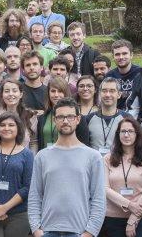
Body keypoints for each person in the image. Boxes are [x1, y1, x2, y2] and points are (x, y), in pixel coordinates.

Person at [27, 97, 106, 237]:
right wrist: (36, 230)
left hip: (79, 231)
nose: (65, 121)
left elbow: (99, 198)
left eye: (70, 116)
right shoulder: (42, 156)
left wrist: (89, 233)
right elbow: (34, 196)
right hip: (47, 230)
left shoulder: (93, 157)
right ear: (54, 120)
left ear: (78, 119)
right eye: (60, 117)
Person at [102, 117, 142, 237]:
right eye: (123, 131)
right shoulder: (107, 159)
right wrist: (129, 205)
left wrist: (133, 219)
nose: (126, 135)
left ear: (137, 134)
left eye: (130, 131)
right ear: (118, 134)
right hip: (113, 218)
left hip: (140, 217)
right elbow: (105, 188)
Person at [37, 77, 89, 150]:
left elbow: (85, 146)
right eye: (53, 91)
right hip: (47, 158)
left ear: (66, 93)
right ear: (48, 93)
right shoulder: (42, 118)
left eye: (60, 91)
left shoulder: (78, 118)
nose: (56, 95)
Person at [84, 78, 132, 155]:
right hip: (94, 164)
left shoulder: (127, 118)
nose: (107, 94)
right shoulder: (88, 119)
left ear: (119, 94)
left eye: (112, 91)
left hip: (119, 164)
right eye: (104, 91)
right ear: (99, 94)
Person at [0, 78, 38, 152]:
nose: (11, 94)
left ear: (21, 94)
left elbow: (33, 142)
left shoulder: (30, 115)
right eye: (7, 91)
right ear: (2, 94)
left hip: (23, 160)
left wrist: (32, 160)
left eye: (14, 91)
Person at [105, 39, 140, 110]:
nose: (121, 57)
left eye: (124, 53)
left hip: (137, 113)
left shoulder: (141, 73)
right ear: (113, 57)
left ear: (131, 55)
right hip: (116, 114)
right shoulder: (109, 76)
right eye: (117, 54)